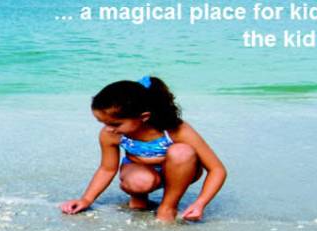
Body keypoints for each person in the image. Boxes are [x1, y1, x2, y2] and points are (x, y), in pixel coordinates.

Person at [59, 76, 226, 222]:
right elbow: (106, 169)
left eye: (115, 124)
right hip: (139, 172)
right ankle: (139, 198)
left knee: (182, 151)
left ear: (144, 117)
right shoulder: (111, 134)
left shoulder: (175, 129)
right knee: (140, 181)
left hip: (180, 171)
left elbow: (217, 169)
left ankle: (167, 206)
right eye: (103, 123)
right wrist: (86, 200)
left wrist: (200, 203)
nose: (108, 129)